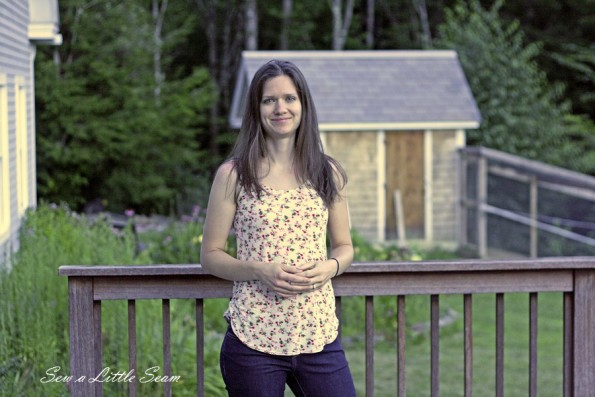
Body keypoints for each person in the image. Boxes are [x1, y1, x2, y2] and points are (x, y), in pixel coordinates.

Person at [200, 59, 356, 397]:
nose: (280, 108)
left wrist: (330, 266)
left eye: (289, 98)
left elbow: (345, 246)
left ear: (303, 105)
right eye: (269, 100)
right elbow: (210, 255)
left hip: (318, 335)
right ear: (257, 109)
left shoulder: (327, 172)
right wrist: (258, 270)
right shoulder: (233, 174)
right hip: (253, 339)